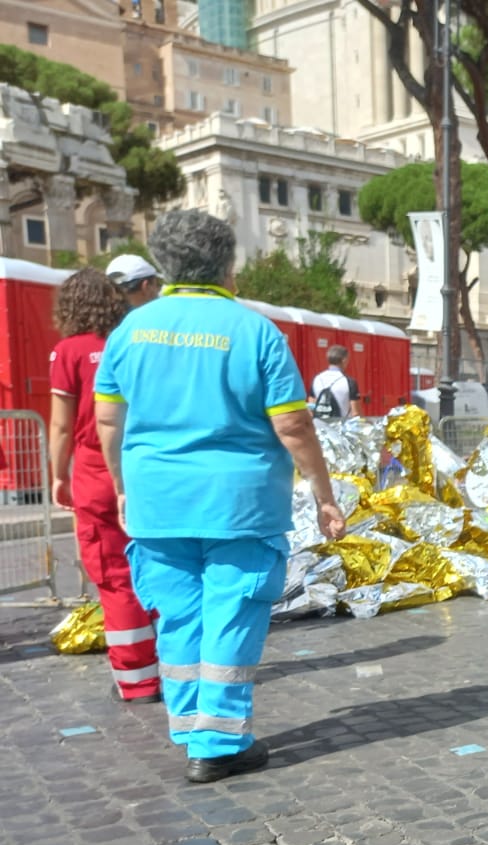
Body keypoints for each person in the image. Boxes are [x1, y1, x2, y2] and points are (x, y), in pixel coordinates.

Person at [93, 209, 346, 782]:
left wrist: (122, 486)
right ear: (227, 267)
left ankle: (187, 723)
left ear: (166, 267)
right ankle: (217, 740)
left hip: (158, 499)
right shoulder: (255, 331)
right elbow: (294, 428)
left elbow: (109, 420)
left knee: (178, 614)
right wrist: (325, 496)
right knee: (232, 609)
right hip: (240, 501)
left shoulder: (129, 332)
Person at [48, 269, 159, 703]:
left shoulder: (67, 352)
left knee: (114, 577)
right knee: (156, 567)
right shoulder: (135, 341)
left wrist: (57, 476)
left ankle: (138, 681)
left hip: (95, 471)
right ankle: (176, 664)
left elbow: (60, 426)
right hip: (144, 467)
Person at [310, 345, 358, 421]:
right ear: (344, 360)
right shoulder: (348, 381)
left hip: (320, 427)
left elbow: (311, 407)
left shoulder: (317, 379)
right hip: (340, 427)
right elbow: (355, 413)